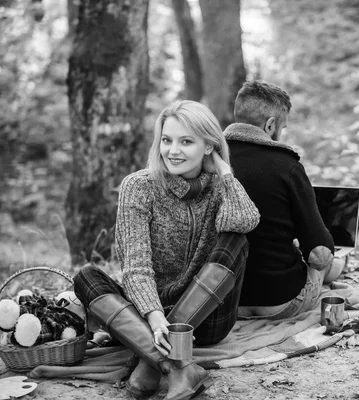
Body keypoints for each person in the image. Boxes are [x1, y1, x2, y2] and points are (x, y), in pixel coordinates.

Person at [73, 101, 260, 400]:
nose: (173, 150)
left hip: (205, 320)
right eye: (167, 140)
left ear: (209, 146)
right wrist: (154, 316)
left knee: (236, 239)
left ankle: (153, 360)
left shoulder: (218, 189)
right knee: (86, 277)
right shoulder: (139, 186)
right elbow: (135, 267)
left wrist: (225, 173)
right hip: (148, 321)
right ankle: (175, 366)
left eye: (186, 141)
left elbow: (245, 220)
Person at [224, 80, 345, 320]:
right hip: (281, 301)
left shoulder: (208, 160)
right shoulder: (286, 166)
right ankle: (342, 266)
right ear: (270, 125)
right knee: (329, 262)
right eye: (283, 127)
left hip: (223, 301)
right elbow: (319, 249)